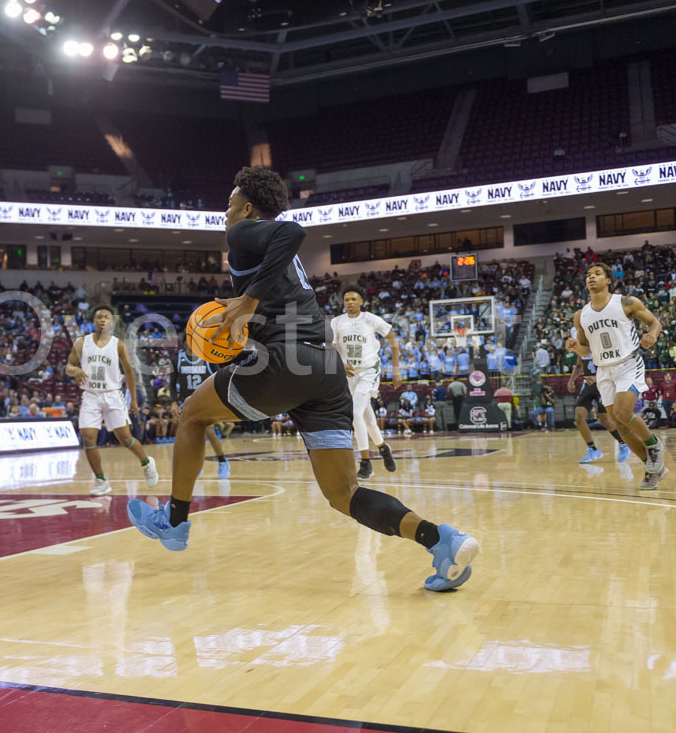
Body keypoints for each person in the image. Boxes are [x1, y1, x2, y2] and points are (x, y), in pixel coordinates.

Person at [126, 166, 479, 592]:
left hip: (286, 362)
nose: (226, 210)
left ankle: (175, 521)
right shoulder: (271, 257)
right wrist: (244, 310)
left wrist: (249, 299)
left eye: (231, 201)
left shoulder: (244, 232)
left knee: (191, 414)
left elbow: (292, 231)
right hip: (324, 369)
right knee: (344, 494)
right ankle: (441, 540)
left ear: (248, 207)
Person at [566, 263, 665, 490]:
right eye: (589, 275)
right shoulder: (581, 315)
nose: (591, 278)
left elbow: (654, 322)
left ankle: (654, 445)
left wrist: (652, 335)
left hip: (628, 363)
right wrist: (575, 348)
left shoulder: (626, 302)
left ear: (608, 280)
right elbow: (585, 350)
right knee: (618, 424)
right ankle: (652, 469)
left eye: (597, 274)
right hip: (603, 369)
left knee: (622, 412)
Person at [66, 305, 158, 496]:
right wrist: (74, 370)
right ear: (93, 321)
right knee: (88, 438)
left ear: (112, 322)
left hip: (113, 394)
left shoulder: (118, 345)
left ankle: (147, 463)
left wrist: (133, 400)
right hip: (91, 395)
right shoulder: (81, 343)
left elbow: (130, 372)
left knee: (124, 438)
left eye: (106, 317)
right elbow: (69, 366)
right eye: (99, 317)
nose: (102, 320)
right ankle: (101, 480)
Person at [330, 285, 399, 479]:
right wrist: (340, 365)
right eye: (346, 300)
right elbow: (331, 347)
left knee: (355, 414)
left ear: (361, 301)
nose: (350, 303)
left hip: (369, 371)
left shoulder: (370, 319)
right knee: (367, 419)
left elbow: (393, 340)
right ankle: (383, 448)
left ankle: (365, 463)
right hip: (349, 374)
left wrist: (395, 370)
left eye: (353, 299)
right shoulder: (336, 322)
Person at [175, 340, 231, 478]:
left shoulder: (207, 357)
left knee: (210, 431)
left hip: (204, 400)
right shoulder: (178, 359)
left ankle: (223, 461)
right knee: (190, 435)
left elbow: (220, 376)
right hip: (186, 402)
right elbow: (172, 382)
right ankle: (196, 465)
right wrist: (173, 402)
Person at [566, 349, 630, 464]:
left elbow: (612, 365)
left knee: (605, 418)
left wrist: (597, 378)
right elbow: (579, 366)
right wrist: (571, 380)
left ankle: (623, 444)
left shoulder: (600, 345)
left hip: (603, 383)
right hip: (588, 385)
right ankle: (593, 449)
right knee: (579, 417)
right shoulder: (581, 348)